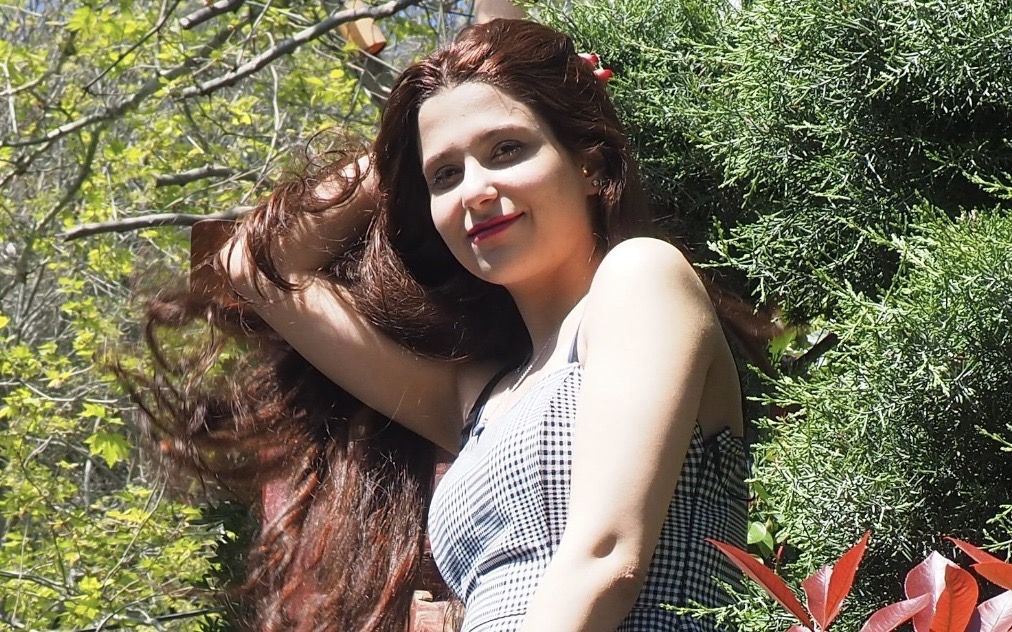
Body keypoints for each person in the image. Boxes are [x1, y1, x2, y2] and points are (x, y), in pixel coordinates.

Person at [139, 17, 763, 632]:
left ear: (590, 164)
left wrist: (470, 112)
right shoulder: (477, 401)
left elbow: (605, 558)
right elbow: (257, 268)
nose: (475, 191)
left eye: (507, 149)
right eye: (445, 174)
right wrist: (404, 148)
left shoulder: (642, 276)